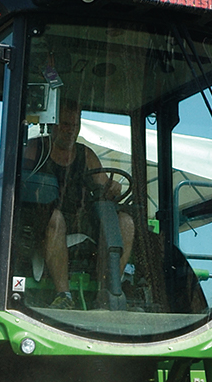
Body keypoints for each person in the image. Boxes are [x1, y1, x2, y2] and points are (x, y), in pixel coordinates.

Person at [20, 98, 134, 308]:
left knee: (125, 222)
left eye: (75, 125)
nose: (71, 130)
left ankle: (109, 291)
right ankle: (64, 295)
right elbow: (23, 187)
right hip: (41, 221)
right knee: (56, 218)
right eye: (65, 124)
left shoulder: (86, 155)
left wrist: (112, 188)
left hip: (80, 221)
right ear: (53, 123)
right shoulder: (36, 149)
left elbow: (104, 187)